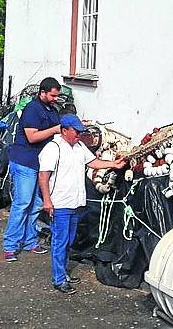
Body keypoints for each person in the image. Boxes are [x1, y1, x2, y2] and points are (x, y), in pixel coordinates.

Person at [38, 114, 126, 294]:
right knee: (60, 241)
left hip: (75, 202)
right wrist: (47, 200)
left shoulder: (79, 146)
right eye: (75, 131)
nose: (79, 134)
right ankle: (59, 279)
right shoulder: (52, 148)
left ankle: (63, 273)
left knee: (69, 240)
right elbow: (43, 175)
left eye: (80, 131)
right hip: (60, 202)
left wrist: (113, 165)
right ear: (64, 131)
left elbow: (92, 162)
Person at [2, 77, 62, 262]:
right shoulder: (32, 109)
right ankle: (10, 246)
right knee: (22, 203)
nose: (55, 99)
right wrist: (55, 129)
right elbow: (32, 137)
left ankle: (30, 241)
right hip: (24, 162)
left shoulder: (52, 110)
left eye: (57, 96)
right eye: (52, 95)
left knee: (36, 204)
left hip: (40, 165)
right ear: (42, 93)